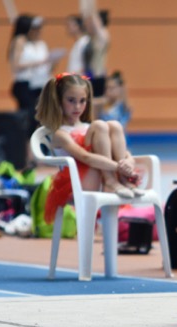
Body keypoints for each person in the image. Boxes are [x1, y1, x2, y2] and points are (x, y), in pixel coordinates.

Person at [34, 73, 144, 223]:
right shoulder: (61, 133)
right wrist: (120, 167)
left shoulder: (88, 127)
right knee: (99, 125)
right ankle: (110, 181)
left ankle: (123, 181)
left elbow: (123, 152)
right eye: (71, 100)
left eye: (82, 101)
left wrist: (129, 162)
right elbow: (86, 158)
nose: (77, 107)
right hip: (78, 183)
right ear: (58, 100)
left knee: (115, 125)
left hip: (104, 174)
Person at [7, 13, 64, 134]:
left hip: (38, 84)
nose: (38, 31)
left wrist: (52, 62)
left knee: (40, 116)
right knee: (30, 117)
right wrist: (40, 62)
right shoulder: (20, 41)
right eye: (34, 28)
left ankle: (36, 140)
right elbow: (16, 65)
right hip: (24, 84)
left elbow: (46, 69)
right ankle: (27, 141)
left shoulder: (40, 44)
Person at [81, 0, 110, 98]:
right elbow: (86, 16)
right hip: (89, 75)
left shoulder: (103, 36)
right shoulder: (91, 38)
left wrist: (90, 3)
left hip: (98, 76)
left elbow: (92, 16)